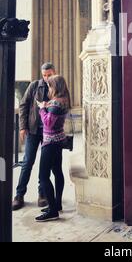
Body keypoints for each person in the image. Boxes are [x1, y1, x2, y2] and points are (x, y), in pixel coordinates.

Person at [12, 63, 56, 211]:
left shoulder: (58, 87)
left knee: (45, 164)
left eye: (49, 75)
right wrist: (23, 127)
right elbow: (24, 105)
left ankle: (42, 194)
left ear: (54, 73)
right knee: (27, 162)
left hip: (49, 132)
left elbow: (63, 106)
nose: (46, 78)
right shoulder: (34, 86)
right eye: (44, 75)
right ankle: (19, 195)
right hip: (33, 130)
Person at [35, 75, 71, 222]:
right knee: (57, 171)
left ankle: (52, 210)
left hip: (50, 143)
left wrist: (42, 109)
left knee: (43, 177)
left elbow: (48, 123)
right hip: (59, 140)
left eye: (50, 86)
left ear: (55, 87)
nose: (49, 88)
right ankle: (57, 203)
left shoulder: (55, 104)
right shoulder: (63, 100)